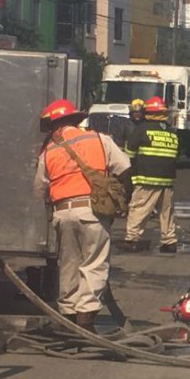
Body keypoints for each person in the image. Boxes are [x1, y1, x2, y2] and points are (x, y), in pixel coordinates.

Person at [33, 99, 131, 332]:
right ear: (75, 120)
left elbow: (39, 189)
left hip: (63, 213)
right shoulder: (99, 139)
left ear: (54, 125)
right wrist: (121, 200)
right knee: (94, 264)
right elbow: (125, 167)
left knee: (69, 265)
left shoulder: (48, 150)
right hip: (93, 212)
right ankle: (85, 321)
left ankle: (67, 318)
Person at [123, 96, 180, 253]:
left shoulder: (142, 129)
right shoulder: (171, 131)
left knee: (139, 207)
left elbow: (129, 153)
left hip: (146, 178)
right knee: (166, 211)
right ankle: (169, 241)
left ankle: (132, 239)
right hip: (167, 179)